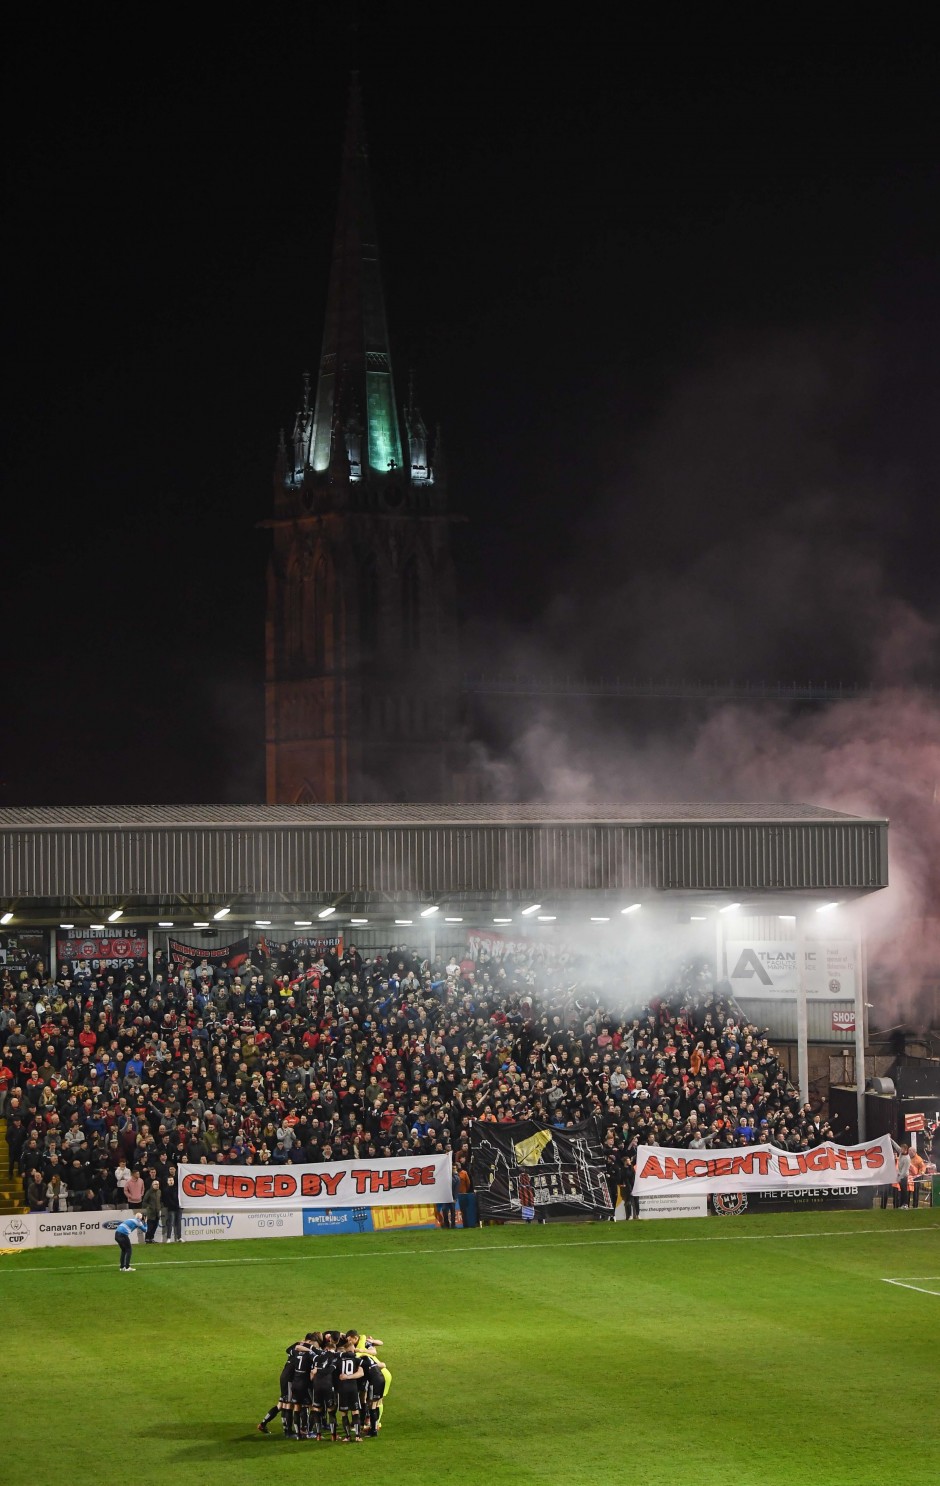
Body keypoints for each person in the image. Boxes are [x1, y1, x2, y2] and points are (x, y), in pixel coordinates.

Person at [335, 1338, 365, 1442]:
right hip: (352, 1388)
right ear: (352, 1349)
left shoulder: (338, 1359)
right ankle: (357, 1436)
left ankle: (347, 1436)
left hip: (342, 1389)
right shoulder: (357, 1360)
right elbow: (361, 1373)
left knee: (344, 1413)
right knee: (355, 1411)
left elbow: (335, 1375)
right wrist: (349, 1376)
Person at [160, 1174, 182, 1242]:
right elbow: (168, 1200)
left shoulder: (177, 1189)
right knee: (171, 1223)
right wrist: (177, 1205)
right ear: (167, 1182)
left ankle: (179, 1237)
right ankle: (168, 1238)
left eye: (172, 1180)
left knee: (178, 1223)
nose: (171, 1181)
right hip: (171, 1209)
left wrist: (180, 1205)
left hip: (178, 1208)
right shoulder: (165, 1190)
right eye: (169, 1180)